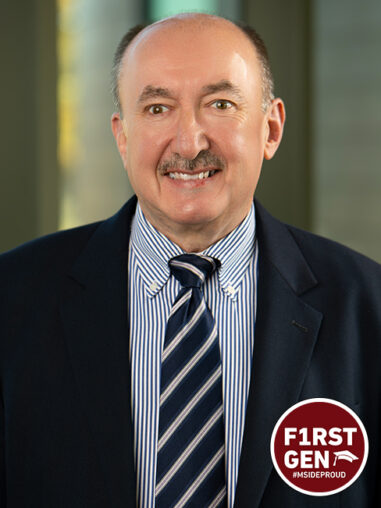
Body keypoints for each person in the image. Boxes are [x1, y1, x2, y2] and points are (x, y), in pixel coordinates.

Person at [0, 12, 380, 508]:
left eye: (220, 104)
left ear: (271, 129)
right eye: (157, 109)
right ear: (122, 136)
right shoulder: (12, 300)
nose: (188, 143)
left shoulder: (368, 306)